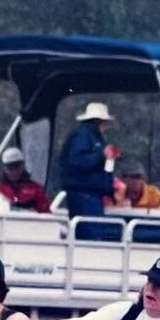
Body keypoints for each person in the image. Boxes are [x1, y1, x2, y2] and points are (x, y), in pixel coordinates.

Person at [58, 101, 118, 238]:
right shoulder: (83, 136)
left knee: (93, 234)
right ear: (99, 121)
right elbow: (76, 162)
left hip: (92, 196)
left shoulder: (93, 138)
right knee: (90, 236)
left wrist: (109, 190)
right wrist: (101, 155)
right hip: (84, 195)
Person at [0, 147, 50, 213]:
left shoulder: (36, 189)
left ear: (23, 166)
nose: (14, 171)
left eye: (17, 167)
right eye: (10, 168)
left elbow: (45, 213)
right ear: (4, 168)